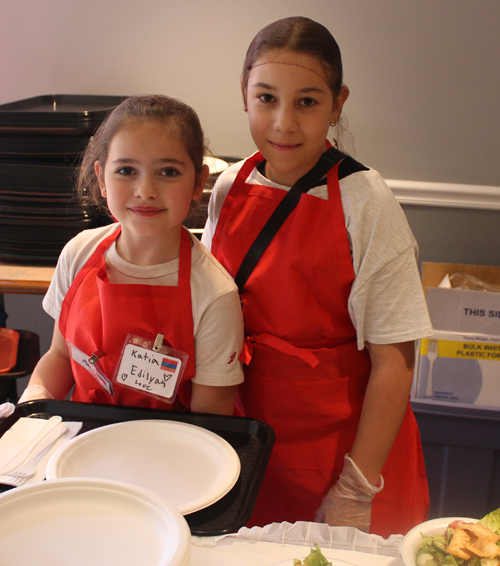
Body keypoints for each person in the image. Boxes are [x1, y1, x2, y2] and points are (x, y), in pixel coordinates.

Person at [201, 17, 433, 536]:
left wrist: (355, 485)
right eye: (266, 98)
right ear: (244, 95)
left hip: (349, 451)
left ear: (338, 102)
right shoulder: (229, 186)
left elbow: (394, 360)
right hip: (253, 439)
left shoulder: (365, 202)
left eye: (307, 102)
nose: (283, 123)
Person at [19, 94, 244, 415]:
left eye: (168, 172)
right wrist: (34, 399)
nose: (145, 191)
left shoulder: (214, 295)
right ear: (101, 179)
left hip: (171, 452)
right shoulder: (78, 254)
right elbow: (61, 356)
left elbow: (211, 421)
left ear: (198, 183)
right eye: (126, 170)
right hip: (81, 447)